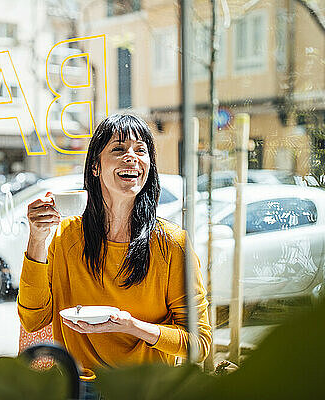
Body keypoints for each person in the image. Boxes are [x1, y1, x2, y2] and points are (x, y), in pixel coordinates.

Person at [17, 114, 212, 378]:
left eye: (140, 150)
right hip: (78, 387)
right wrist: (37, 239)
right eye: (118, 149)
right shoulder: (65, 236)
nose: (131, 156)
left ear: (148, 166)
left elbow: (199, 343)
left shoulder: (172, 244)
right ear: (95, 167)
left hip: (144, 390)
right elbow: (33, 320)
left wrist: (131, 326)